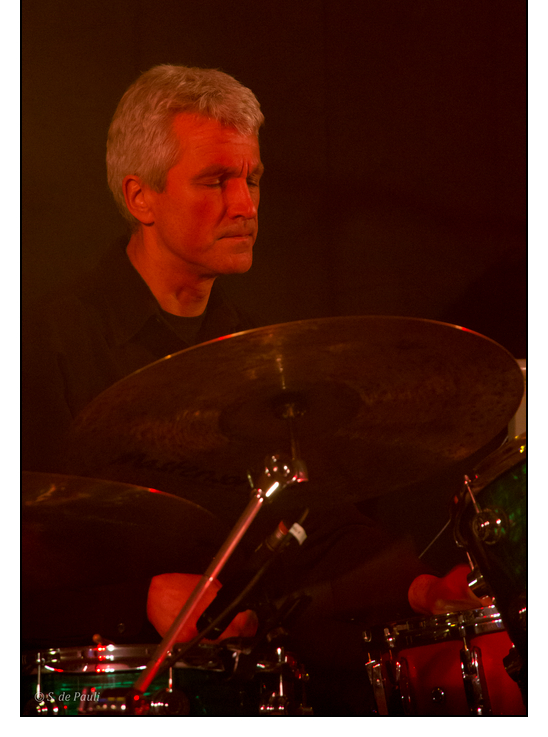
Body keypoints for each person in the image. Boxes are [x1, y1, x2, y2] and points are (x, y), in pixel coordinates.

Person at [23, 65, 488, 715]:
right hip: (92, 693)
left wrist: (421, 589)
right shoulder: (42, 343)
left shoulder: (256, 356)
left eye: (253, 179)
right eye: (216, 180)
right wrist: (135, 601)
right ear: (141, 197)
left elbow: (314, 524)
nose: (245, 206)